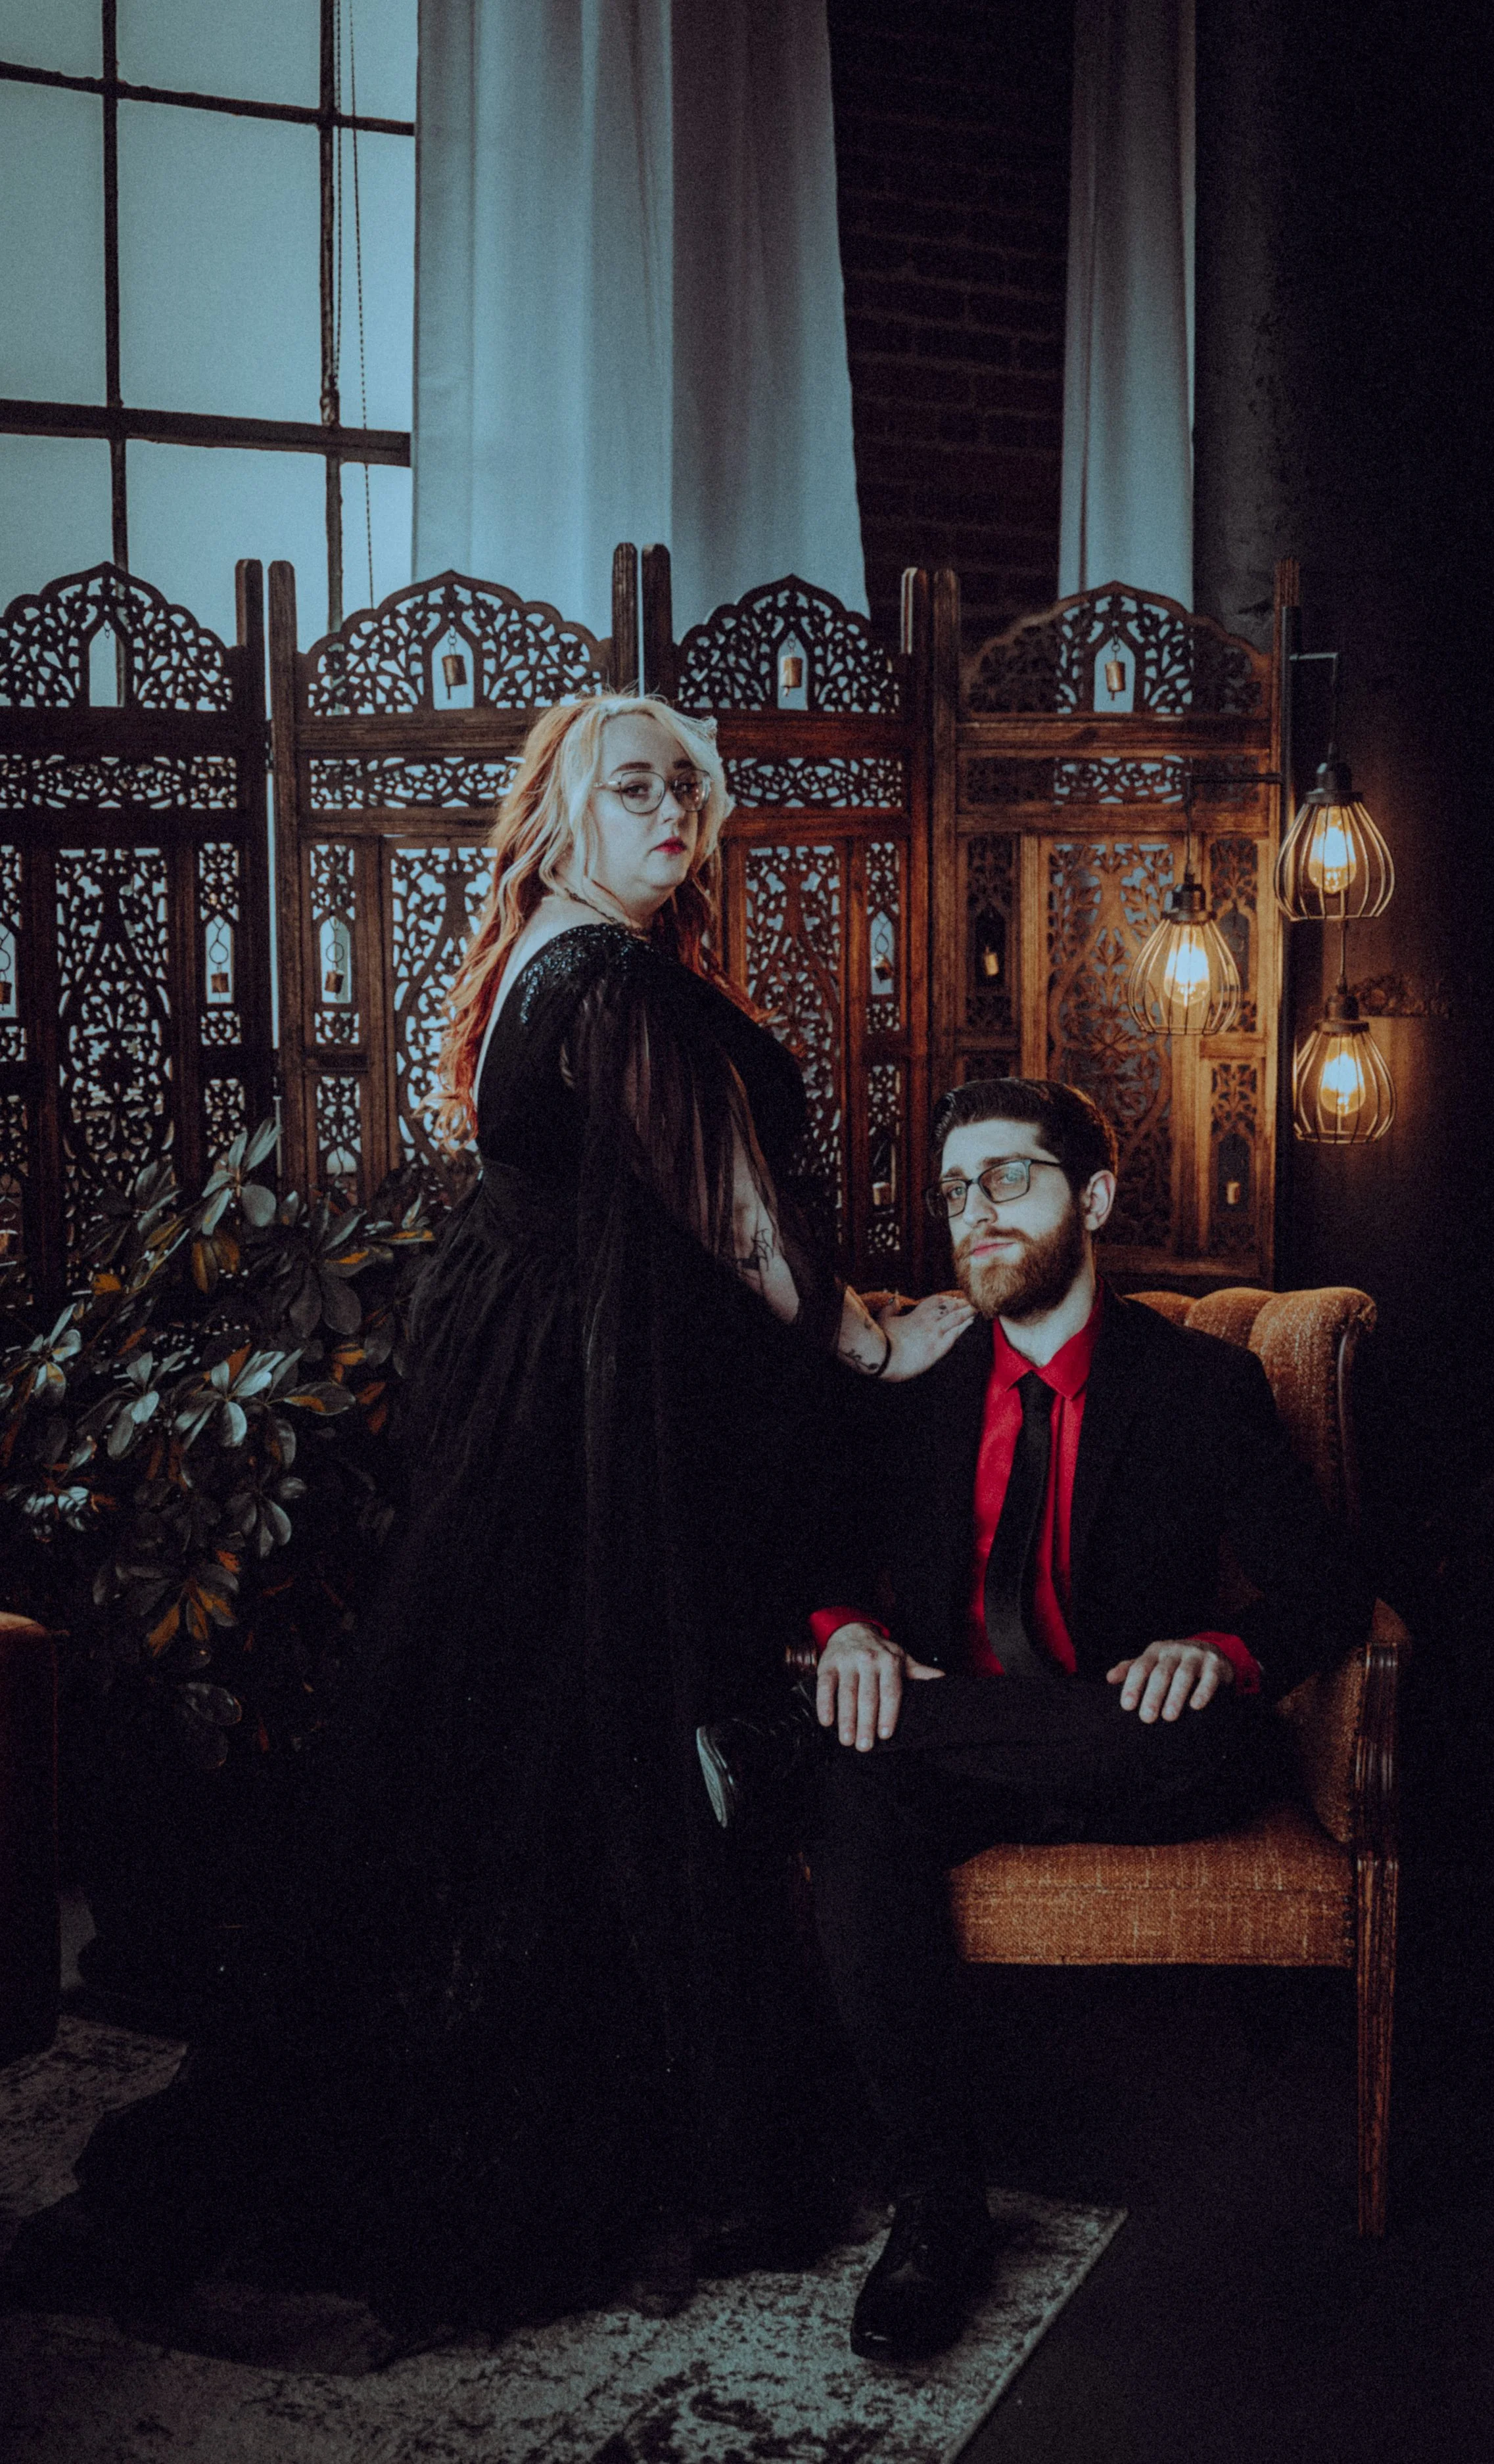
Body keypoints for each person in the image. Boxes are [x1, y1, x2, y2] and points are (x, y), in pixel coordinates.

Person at [7, 695, 971, 2339]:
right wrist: (876, 1333)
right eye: (633, 786)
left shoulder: (559, 954)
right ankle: (487, 2135)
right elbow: (733, 1215)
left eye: (689, 787)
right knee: (544, 1753)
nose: (672, 808)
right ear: (562, 816)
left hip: (542, 1376)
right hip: (574, 1413)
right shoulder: (605, 974)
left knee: (522, 1756)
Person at [699, 1077, 1371, 2364]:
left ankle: (791, 1748)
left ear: (1093, 1198)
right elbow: (814, 1554)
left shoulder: (1200, 1384)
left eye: (1008, 1179)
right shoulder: (913, 1388)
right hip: (965, 1760)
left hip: (1143, 1744)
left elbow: (1327, 1586)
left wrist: (1218, 1649)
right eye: (958, 1191)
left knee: (919, 1750)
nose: (976, 1214)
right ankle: (937, 2214)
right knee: (857, 1791)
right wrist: (843, 1626)